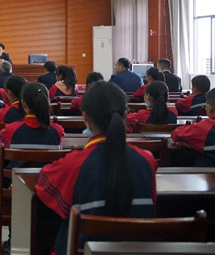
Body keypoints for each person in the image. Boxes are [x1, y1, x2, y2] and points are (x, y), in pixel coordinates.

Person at [35, 81, 157, 255]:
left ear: (85, 117)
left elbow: (43, 185)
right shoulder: (147, 160)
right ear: (125, 115)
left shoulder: (75, 163)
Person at [0, 82, 64, 168]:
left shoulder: (11, 130)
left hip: (18, 176)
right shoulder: (58, 131)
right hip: (47, 176)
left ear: (24, 104)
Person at [171, 88, 215, 166]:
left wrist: (194, 125)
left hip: (208, 172)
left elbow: (176, 134)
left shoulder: (205, 128)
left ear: (210, 108)